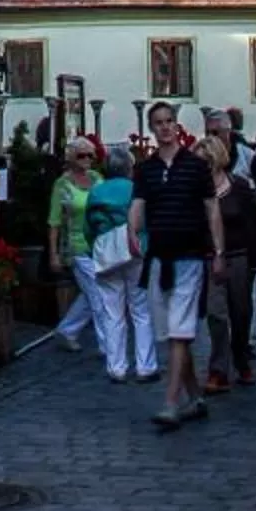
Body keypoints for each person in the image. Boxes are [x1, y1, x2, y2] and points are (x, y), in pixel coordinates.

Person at [128, 100, 225, 429]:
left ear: (177, 125)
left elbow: (211, 208)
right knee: (169, 333)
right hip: (159, 258)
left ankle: (170, 402)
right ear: (152, 128)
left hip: (190, 256)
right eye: (159, 122)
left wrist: (218, 252)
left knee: (180, 330)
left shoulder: (195, 166)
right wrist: (132, 231)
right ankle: (195, 397)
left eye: (169, 121)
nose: (165, 127)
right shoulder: (146, 169)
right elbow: (138, 203)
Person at [85, 143, 158, 381]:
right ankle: (145, 365)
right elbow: (147, 221)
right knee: (140, 310)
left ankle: (116, 366)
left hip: (107, 253)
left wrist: (94, 246)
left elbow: (89, 227)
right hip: (135, 250)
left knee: (112, 310)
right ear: (130, 167)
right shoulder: (137, 189)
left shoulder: (96, 192)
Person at [202, 132, 256, 392]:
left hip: (238, 256)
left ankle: (241, 357)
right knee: (216, 314)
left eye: (206, 160)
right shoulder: (196, 192)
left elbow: (253, 224)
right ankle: (218, 368)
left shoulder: (238, 186)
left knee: (241, 312)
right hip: (209, 257)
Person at [48, 137, 105, 355]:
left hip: (100, 245)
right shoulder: (62, 184)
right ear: (71, 158)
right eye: (82, 155)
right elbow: (54, 221)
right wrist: (54, 254)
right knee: (98, 293)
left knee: (91, 293)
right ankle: (108, 345)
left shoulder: (97, 178)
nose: (87, 159)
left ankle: (67, 330)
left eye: (91, 155)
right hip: (77, 246)